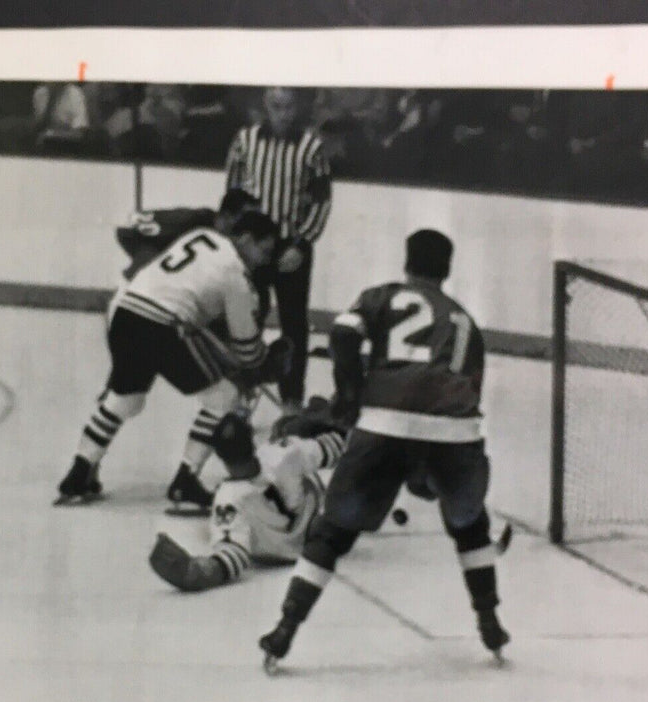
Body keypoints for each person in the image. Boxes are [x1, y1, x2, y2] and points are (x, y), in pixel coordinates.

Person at [258, 229, 510, 671]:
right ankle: (490, 622)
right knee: (472, 526)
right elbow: (468, 396)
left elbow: (342, 333)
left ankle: (284, 630)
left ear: (406, 263)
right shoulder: (466, 320)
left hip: (385, 424)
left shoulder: (383, 297)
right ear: (447, 271)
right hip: (455, 434)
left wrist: (350, 392)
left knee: (332, 533)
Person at [56, 210, 289, 510]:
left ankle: (78, 474)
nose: (264, 259)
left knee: (126, 398)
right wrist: (266, 360)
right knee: (224, 397)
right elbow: (247, 351)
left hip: (125, 314)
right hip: (162, 325)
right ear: (244, 240)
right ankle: (185, 482)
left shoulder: (201, 236)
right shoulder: (237, 276)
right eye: (264, 250)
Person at [147, 401, 347, 592]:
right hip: (315, 522)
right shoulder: (283, 452)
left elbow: (233, 553)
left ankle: (314, 414)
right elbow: (336, 447)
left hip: (279, 551)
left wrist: (196, 572)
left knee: (292, 428)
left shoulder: (228, 499)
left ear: (221, 457)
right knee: (290, 429)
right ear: (252, 442)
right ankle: (319, 412)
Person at [225, 87, 333, 412]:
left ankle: (291, 400)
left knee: (294, 325)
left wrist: (301, 244)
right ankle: (242, 393)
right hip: (255, 246)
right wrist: (241, 240)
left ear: (297, 107)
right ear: (265, 106)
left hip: (291, 246)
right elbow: (234, 195)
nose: (282, 114)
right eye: (275, 107)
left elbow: (321, 201)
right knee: (247, 320)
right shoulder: (245, 141)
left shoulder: (312, 147)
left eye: (288, 107)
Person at [115, 188, 259, 283]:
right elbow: (127, 229)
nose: (252, 224)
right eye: (248, 217)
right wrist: (152, 268)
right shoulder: (191, 221)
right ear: (228, 216)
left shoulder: (230, 242)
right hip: (138, 296)